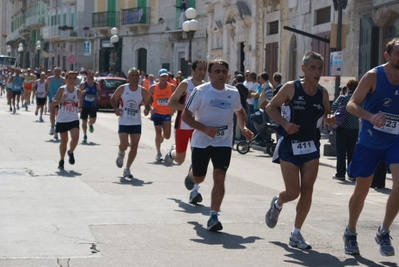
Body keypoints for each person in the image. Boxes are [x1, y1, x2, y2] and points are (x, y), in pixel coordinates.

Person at [265, 52, 335, 249]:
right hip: (289, 145)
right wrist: (285, 124)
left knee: (308, 190)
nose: (317, 72)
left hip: (311, 146)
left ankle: (296, 234)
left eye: (320, 68)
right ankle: (278, 202)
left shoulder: (322, 92)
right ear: (304, 68)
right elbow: (270, 107)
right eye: (312, 67)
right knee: (293, 192)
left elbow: (327, 113)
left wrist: (330, 120)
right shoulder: (291, 88)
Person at [343, 38, 399, 257]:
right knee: (362, 190)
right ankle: (351, 231)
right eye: (397, 53)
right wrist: (371, 116)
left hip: (395, 140)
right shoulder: (374, 76)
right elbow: (351, 104)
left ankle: (384, 231)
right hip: (370, 139)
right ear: (387, 55)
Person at [182, 59, 253, 231]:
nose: (221, 74)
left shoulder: (233, 92)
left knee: (220, 176)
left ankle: (213, 216)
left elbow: (240, 112)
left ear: (228, 74)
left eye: (224, 71)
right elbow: (186, 116)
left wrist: (243, 127)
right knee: (200, 178)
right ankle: (192, 175)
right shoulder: (200, 91)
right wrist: (205, 129)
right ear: (210, 74)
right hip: (201, 139)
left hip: (223, 140)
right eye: (217, 71)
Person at [164, 59, 207, 171]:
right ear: (192, 70)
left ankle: (194, 184)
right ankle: (172, 152)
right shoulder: (185, 84)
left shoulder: (206, 87)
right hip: (183, 125)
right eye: (199, 69)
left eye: (204, 69)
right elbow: (171, 103)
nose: (202, 72)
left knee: (198, 157)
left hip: (198, 126)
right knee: (180, 159)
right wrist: (187, 108)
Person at [110, 68, 151, 179]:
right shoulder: (122, 89)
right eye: (132, 75)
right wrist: (116, 109)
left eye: (136, 75)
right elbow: (113, 99)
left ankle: (127, 168)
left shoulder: (142, 91)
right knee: (124, 144)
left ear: (139, 77)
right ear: (128, 77)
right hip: (124, 121)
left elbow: (147, 104)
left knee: (134, 146)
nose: (134, 77)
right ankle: (121, 153)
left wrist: (147, 110)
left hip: (136, 122)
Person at [52, 71, 82, 170]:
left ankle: (71, 152)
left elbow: (80, 104)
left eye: (74, 78)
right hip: (62, 118)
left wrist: (80, 108)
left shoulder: (77, 91)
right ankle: (61, 160)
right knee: (64, 141)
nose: (72, 80)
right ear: (66, 79)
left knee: (75, 138)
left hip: (73, 118)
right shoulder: (62, 90)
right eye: (70, 78)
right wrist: (62, 100)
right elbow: (53, 103)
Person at [331, 79, 359, 181]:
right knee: (352, 153)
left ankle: (340, 174)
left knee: (341, 152)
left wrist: (340, 95)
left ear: (347, 88)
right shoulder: (359, 99)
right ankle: (352, 174)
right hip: (355, 128)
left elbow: (333, 106)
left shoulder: (343, 98)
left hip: (343, 128)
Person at [147, 69, 176, 162]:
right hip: (157, 113)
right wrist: (151, 108)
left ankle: (162, 137)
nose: (164, 78)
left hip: (167, 113)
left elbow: (176, 99)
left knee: (167, 136)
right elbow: (146, 99)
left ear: (167, 77)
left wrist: (173, 109)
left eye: (165, 76)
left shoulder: (171, 87)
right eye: (162, 76)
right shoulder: (153, 88)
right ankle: (158, 153)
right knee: (158, 133)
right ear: (158, 77)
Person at [79, 70, 101, 143]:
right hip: (84, 105)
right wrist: (81, 93)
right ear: (86, 75)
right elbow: (78, 94)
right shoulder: (83, 84)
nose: (90, 75)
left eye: (92, 74)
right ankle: (85, 135)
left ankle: (90, 123)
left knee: (93, 120)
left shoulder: (96, 84)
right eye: (89, 74)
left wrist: (98, 96)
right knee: (84, 121)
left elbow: (99, 91)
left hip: (93, 105)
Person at [46, 67, 65, 140]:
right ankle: (52, 126)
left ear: (60, 72)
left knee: (58, 114)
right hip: (51, 97)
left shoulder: (62, 80)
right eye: (56, 71)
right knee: (52, 113)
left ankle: (56, 129)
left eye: (58, 71)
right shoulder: (49, 79)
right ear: (53, 72)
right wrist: (46, 91)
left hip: (59, 99)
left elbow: (65, 87)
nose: (57, 72)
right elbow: (46, 84)